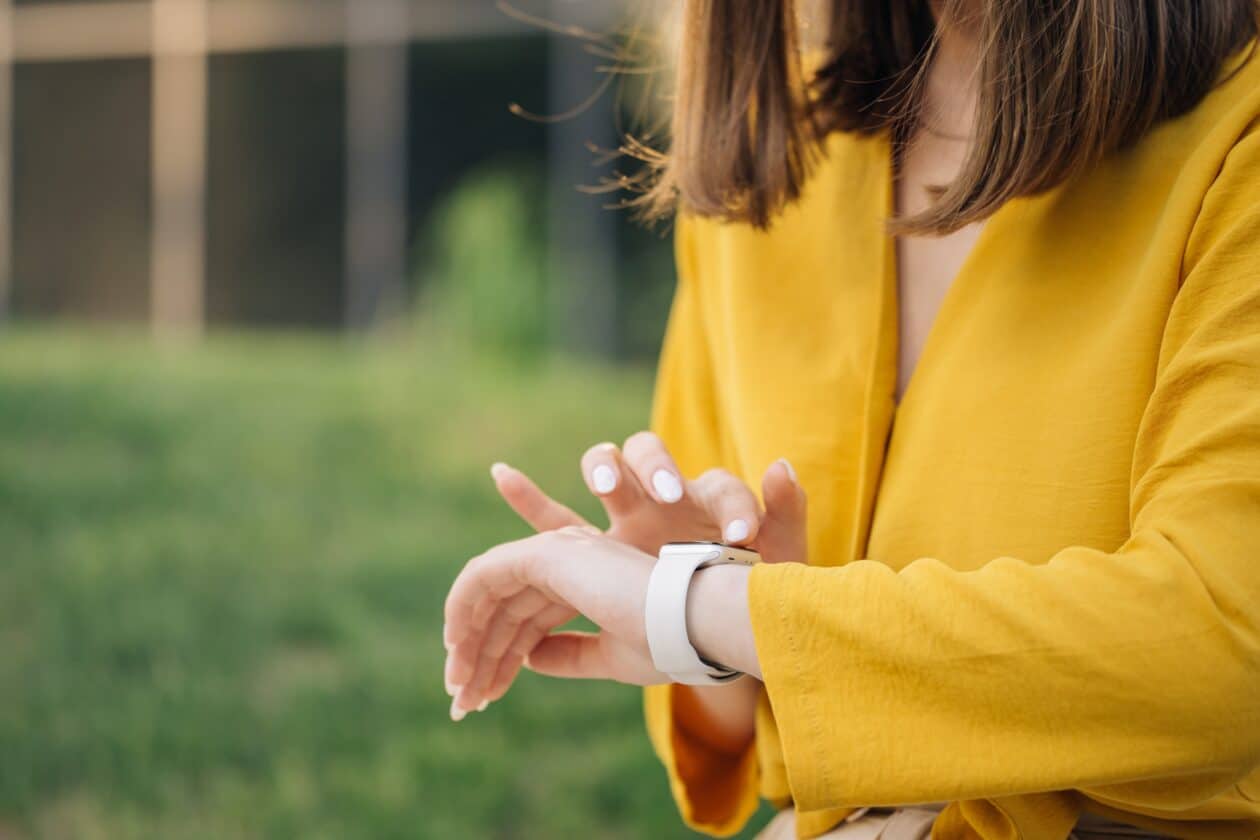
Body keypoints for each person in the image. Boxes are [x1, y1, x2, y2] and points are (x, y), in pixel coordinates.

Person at [443, 1, 1260, 837]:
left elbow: (1222, 653)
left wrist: (703, 605)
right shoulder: (772, 151)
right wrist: (703, 635)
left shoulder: (1239, 141)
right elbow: (760, 729)